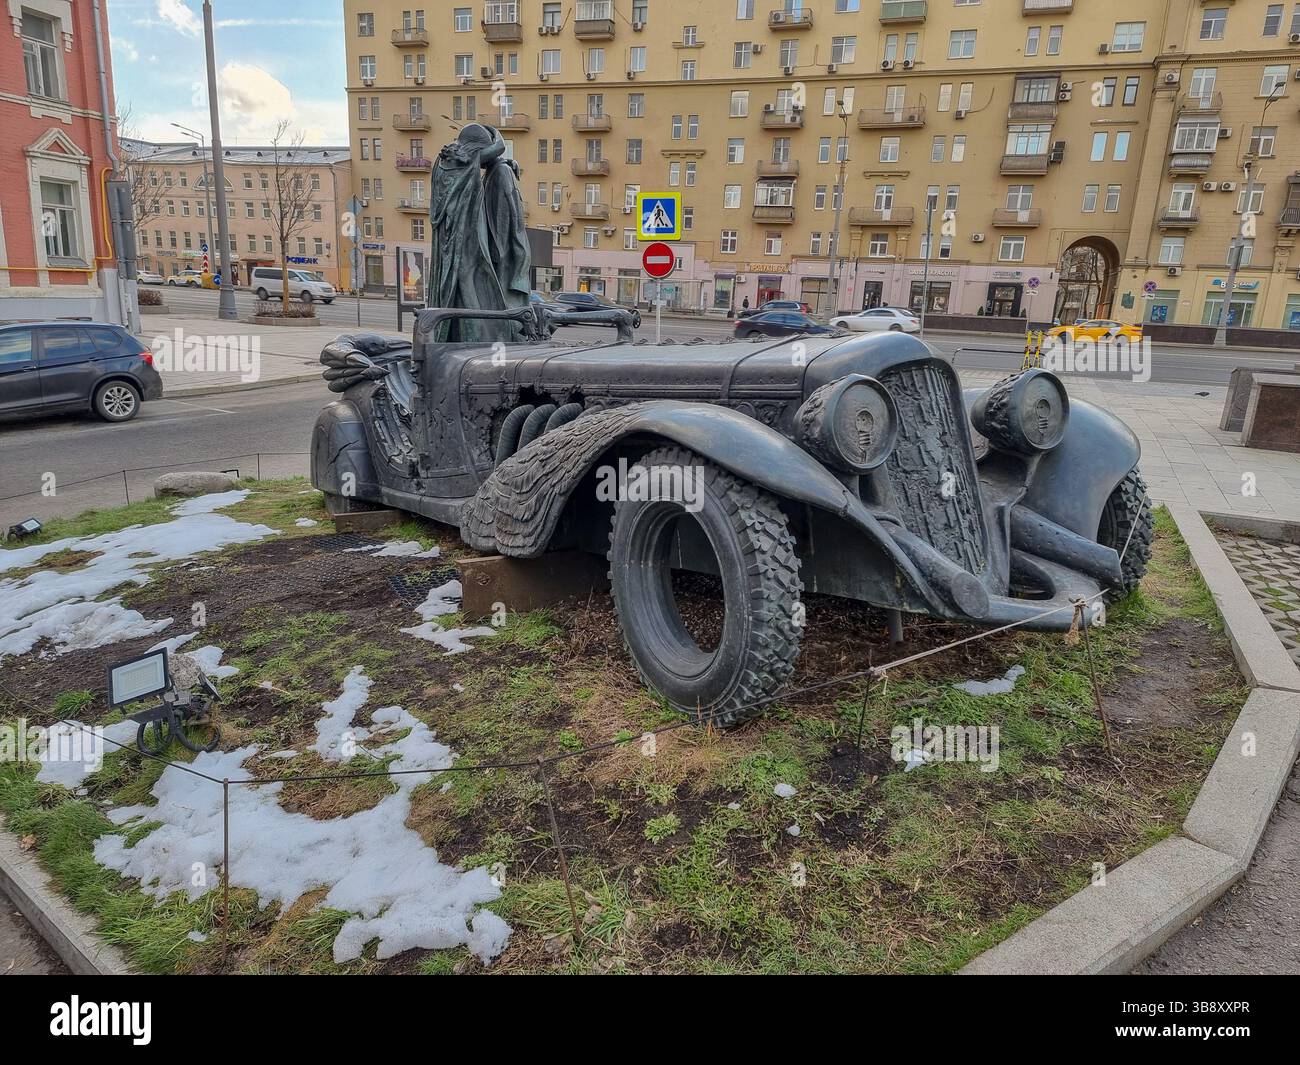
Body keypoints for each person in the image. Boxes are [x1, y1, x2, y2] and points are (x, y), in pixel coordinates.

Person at [427, 123, 530, 341]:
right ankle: (475, 338)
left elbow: (484, 165)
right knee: (468, 283)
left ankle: (466, 335)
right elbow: (499, 148)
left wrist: (504, 164)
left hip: (449, 237)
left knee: (462, 285)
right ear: (476, 148)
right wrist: (494, 132)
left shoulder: (446, 159)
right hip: (464, 235)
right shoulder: (462, 161)